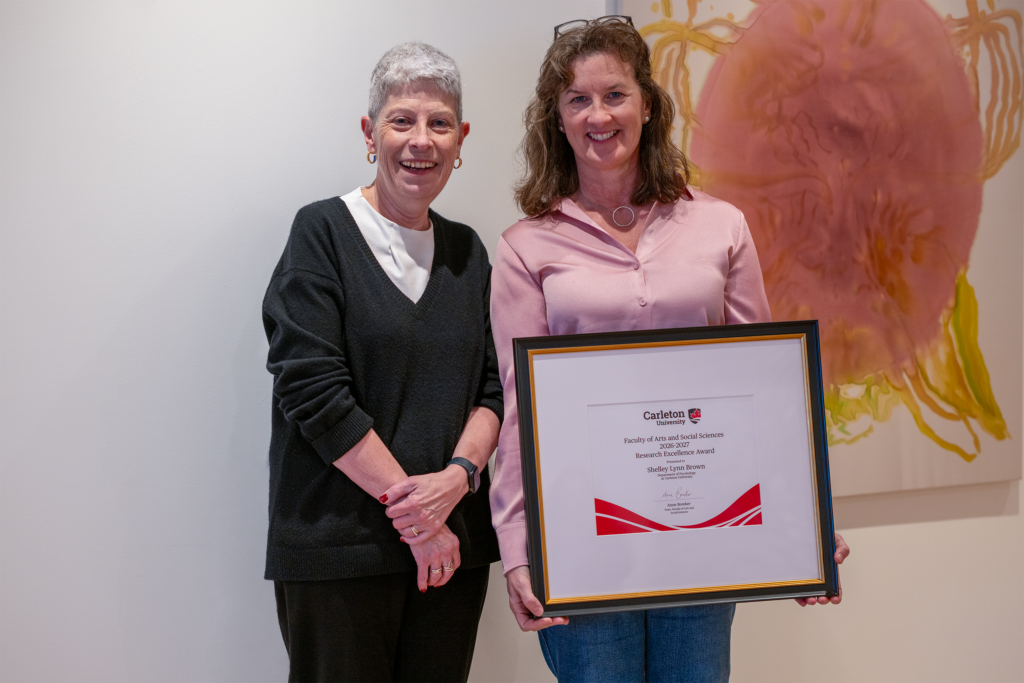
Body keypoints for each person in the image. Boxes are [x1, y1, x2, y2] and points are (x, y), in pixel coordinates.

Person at [488, 17, 850, 683]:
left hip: (703, 536)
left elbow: (766, 386)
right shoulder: (525, 248)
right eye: (578, 99)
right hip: (583, 540)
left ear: (648, 103)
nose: (599, 115)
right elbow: (518, 413)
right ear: (558, 119)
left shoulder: (721, 226)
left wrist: (805, 523)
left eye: (615, 94)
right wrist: (516, 550)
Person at [262, 42, 502, 683]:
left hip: (454, 552)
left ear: (461, 138)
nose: (420, 140)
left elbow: (494, 387)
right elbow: (313, 391)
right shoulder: (320, 234)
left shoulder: (468, 253)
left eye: (438, 122)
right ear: (370, 132)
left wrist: (457, 478)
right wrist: (420, 522)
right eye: (402, 120)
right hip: (342, 549)